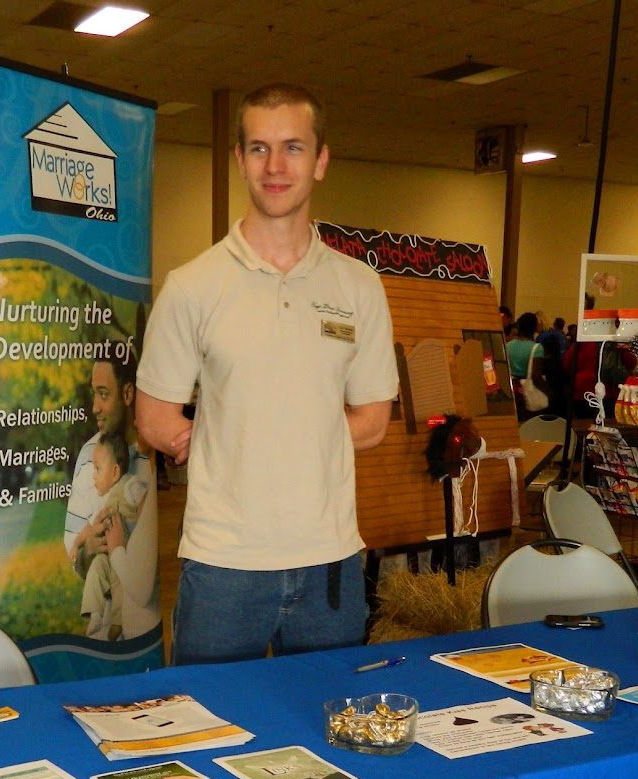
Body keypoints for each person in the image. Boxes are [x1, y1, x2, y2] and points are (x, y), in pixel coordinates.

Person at [136, 82, 397, 665]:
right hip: (223, 564)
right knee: (211, 730)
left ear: (321, 160)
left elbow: (374, 421)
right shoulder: (192, 285)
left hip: (329, 560)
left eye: (293, 148)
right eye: (258, 148)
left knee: (334, 724)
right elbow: (155, 420)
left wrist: (268, 437)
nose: (275, 167)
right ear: (239, 160)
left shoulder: (358, 287)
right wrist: (226, 440)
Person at [64, 344, 159, 641]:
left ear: (128, 394)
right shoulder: (90, 455)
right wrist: (88, 548)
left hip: (144, 632)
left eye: (103, 394)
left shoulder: (151, 454)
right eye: (94, 393)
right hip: (100, 641)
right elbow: (74, 555)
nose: (95, 406)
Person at [78, 434, 147, 640]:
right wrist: (80, 542)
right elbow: (91, 527)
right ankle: (95, 613)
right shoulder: (104, 501)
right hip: (109, 554)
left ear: (116, 472)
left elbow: (145, 498)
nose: (93, 475)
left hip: (125, 552)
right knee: (96, 569)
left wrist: (138, 519)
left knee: (120, 587)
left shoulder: (128, 486)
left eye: (97, 469)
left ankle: (118, 623)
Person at [506, 312, 540, 418]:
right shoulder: (537, 348)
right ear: (534, 328)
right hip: (528, 392)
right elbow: (536, 375)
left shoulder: (507, 346)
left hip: (510, 391)